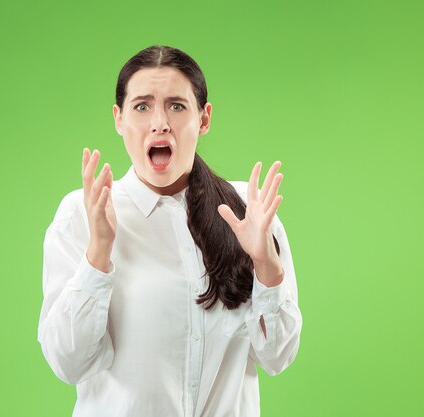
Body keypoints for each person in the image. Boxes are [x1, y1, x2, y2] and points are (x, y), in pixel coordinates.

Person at [37, 45, 303, 417]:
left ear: (204, 118)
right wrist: (98, 254)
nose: (159, 122)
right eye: (142, 106)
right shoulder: (81, 215)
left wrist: (266, 264)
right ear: (118, 118)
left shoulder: (248, 212)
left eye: (177, 106)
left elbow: (277, 356)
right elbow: (68, 362)